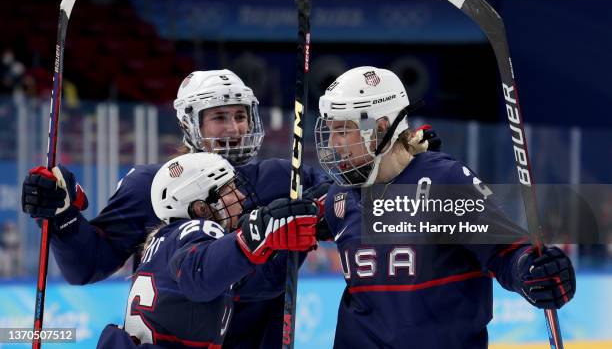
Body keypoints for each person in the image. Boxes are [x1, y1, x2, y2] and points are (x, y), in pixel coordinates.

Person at [21, 69, 440, 347]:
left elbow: (352, 202)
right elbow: (85, 267)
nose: (235, 127)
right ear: (190, 123)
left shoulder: (281, 175)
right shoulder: (151, 185)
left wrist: (395, 159)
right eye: (219, 117)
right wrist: (62, 217)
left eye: (240, 115)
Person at [314, 66, 576, 348]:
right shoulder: (337, 198)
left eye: (343, 130)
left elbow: (505, 253)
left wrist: (532, 270)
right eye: (330, 131)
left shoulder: (444, 183)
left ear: (379, 127)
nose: (333, 143)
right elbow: (295, 219)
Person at [96, 152, 318, 348]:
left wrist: (285, 243)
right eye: (229, 190)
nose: (241, 196)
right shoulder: (199, 228)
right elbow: (198, 275)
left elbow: (255, 283)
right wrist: (254, 235)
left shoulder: (166, 240)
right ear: (201, 208)